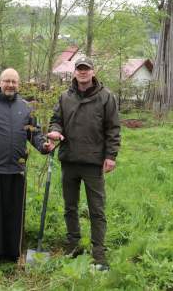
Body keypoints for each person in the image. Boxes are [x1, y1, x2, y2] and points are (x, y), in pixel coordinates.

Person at [0, 68, 54, 262]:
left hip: (16, 171)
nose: (10, 85)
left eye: (14, 81)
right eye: (6, 81)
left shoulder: (26, 107)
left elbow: (35, 134)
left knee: (13, 215)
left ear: (19, 84)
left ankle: (11, 253)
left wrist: (44, 146)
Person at [47, 57, 120, 270]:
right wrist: (55, 131)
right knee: (70, 207)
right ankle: (72, 245)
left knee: (96, 209)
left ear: (93, 72)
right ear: (75, 72)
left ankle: (98, 254)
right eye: (79, 69)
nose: (83, 72)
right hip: (69, 160)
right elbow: (56, 119)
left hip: (93, 162)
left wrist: (111, 156)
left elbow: (113, 128)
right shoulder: (64, 97)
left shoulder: (106, 98)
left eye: (86, 69)